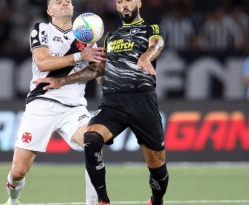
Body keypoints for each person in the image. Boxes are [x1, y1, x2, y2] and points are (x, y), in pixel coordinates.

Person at [34, 0, 169, 204]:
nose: (124, 4)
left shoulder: (151, 28)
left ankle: (156, 200)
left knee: (157, 163)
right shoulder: (110, 36)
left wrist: (146, 57)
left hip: (142, 100)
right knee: (91, 139)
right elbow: (97, 69)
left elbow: (157, 44)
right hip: (112, 103)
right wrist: (62, 80)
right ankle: (103, 201)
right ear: (116, 7)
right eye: (119, 2)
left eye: (128, 0)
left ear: (138, 2)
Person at [4, 0, 105, 205]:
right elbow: (43, 62)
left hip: (74, 108)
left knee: (93, 141)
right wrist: (80, 55)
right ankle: (13, 201)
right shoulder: (41, 29)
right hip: (42, 103)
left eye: (67, 0)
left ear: (73, 8)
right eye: (57, 1)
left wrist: (80, 74)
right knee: (18, 171)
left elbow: (96, 71)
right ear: (49, 10)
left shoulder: (87, 36)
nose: (64, 2)